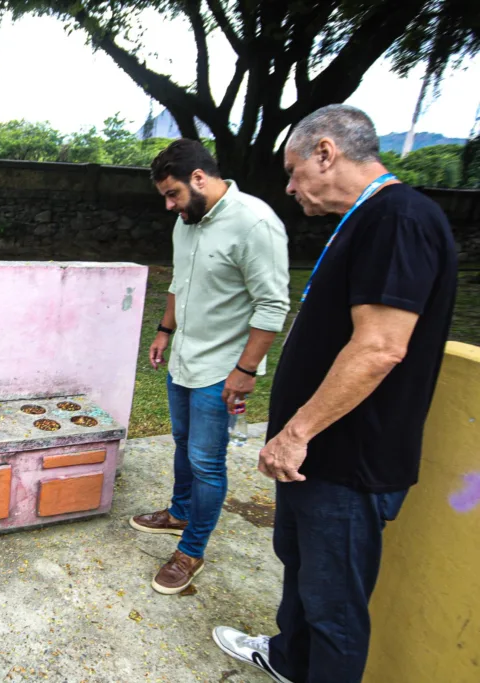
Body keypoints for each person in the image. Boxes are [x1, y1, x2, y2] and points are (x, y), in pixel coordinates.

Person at [213, 105, 458, 683]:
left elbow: (380, 348)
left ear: (326, 152)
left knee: (335, 609)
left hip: (348, 462)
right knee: (301, 570)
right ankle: (287, 658)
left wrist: (295, 433)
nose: (292, 188)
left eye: (295, 172)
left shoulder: (399, 218)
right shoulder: (366, 221)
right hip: (318, 459)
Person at [130, 139, 290, 595]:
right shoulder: (187, 223)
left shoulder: (255, 223)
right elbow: (180, 283)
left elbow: (272, 305)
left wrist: (246, 369)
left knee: (206, 461)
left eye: (173, 193)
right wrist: (164, 330)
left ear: (199, 178)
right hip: (184, 359)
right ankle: (180, 512)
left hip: (223, 368)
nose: (169, 204)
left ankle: (192, 550)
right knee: (182, 443)